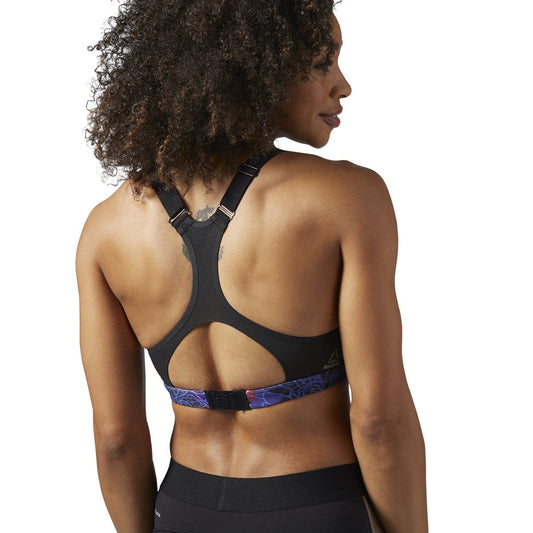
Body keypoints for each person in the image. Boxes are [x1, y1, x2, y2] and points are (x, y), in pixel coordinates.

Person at [77, 1, 428, 532]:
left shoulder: (105, 230)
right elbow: (379, 421)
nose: (343, 85)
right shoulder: (347, 198)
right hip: (315, 507)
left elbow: (116, 442)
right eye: (322, 63)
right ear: (257, 65)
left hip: (185, 510)